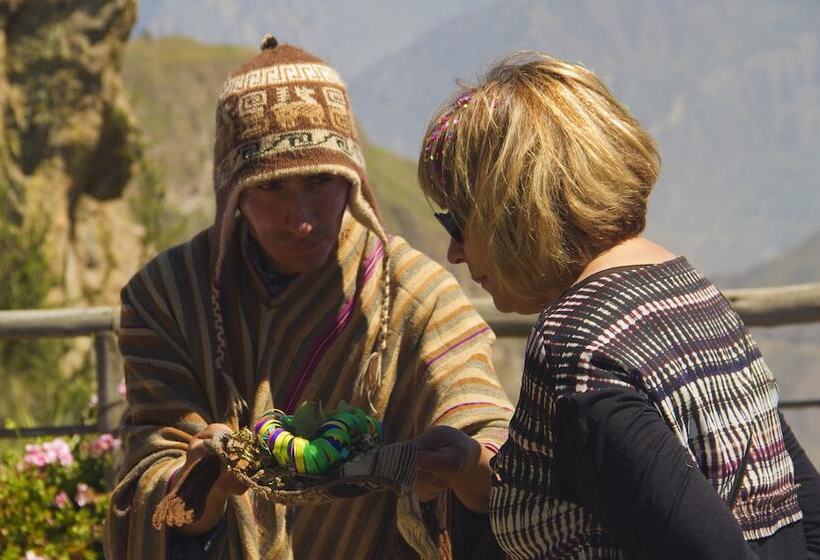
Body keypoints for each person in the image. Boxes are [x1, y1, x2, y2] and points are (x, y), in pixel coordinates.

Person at [104, 35, 513, 559]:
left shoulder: (418, 296)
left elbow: (478, 416)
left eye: (322, 181)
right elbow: (154, 478)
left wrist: (465, 461)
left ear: (354, 183)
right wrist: (203, 479)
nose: (302, 220)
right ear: (232, 194)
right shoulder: (166, 299)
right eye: (272, 188)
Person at [415, 51, 820, 559]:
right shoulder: (690, 292)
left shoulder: (579, 350)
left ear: (512, 210)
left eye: (457, 223)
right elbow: (799, 509)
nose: (454, 251)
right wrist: (476, 477)